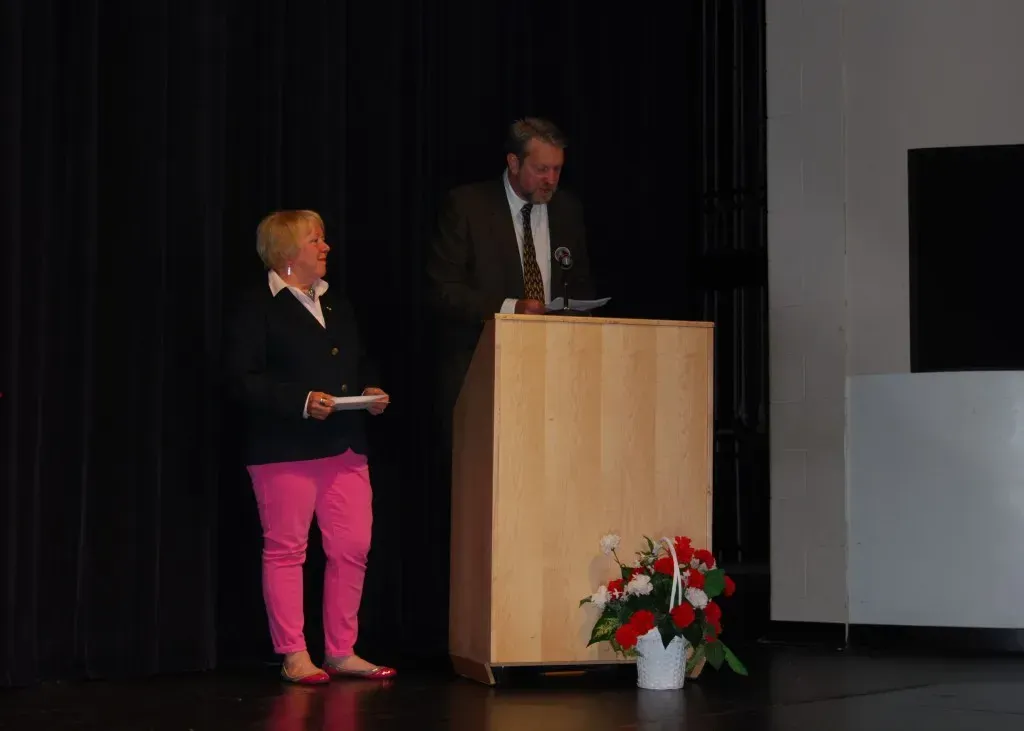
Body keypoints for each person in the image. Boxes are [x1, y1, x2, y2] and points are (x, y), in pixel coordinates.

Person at [224, 209, 396, 684]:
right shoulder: (254, 304)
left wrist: (371, 391)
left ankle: (341, 650)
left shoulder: (336, 302)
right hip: (284, 450)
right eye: (315, 240)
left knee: (353, 546)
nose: (326, 248)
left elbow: (361, 362)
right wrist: (300, 402)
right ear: (286, 252)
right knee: (286, 549)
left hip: (344, 446)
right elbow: (241, 379)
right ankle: (294, 653)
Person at [426, 117, 598, 421]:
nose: (551, 180)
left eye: (557, 169)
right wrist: (511, 309)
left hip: (554, 370)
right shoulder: (468, 206)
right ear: (514, 163)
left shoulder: (567, 210)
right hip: (483, 368)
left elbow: (579, 282)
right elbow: (443, 291)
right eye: (541, 169)